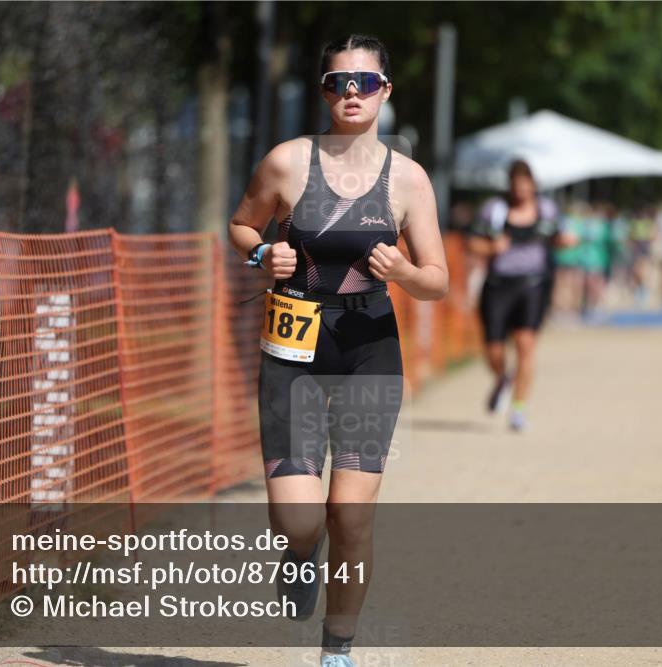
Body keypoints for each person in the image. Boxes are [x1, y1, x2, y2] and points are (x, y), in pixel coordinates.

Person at [227, 34, 448, 667]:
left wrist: (403, 272)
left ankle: (337, 650)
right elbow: (241, 225)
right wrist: (263, 252)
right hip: (292, 351)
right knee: (299, 521)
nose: (351, 93)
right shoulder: (286, 163)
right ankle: (300, 553)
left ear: (385, 91)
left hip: (369, 351)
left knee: (351, 515)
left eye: (365, 82)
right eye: (337, 82)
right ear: (324, 89)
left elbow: (439, 280)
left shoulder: (408, 179)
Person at [467, 160, 574, 431]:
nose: (522, 192)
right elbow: (472, 242)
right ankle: (502, 378)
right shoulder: (495, 210)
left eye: (527, 187)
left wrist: (565, 241)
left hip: (533, 285)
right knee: (494, 350)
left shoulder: (546, 209)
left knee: (526, 345)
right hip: (498, 285)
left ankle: (518, 409)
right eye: (517, 187)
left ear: (534, 186)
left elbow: (561, 236)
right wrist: (492, 247)